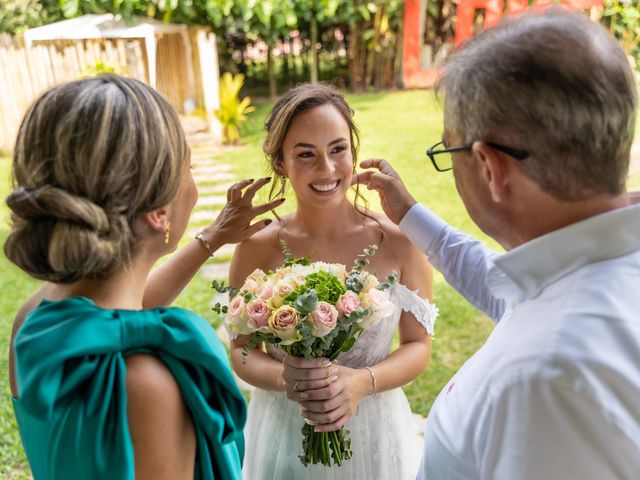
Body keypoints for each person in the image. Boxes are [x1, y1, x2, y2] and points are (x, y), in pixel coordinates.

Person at [353, 9, 640, 479]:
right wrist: (408, 213)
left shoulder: (546, 380)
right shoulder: (595, 266)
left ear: (491, 167)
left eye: (449, 150)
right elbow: (502, 286)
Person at [6, 75, 282, 479]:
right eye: (188, 166)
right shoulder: (146, 384)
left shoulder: (41, 319)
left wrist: (212, 238)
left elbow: (123, 313)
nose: (191, 183)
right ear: (159, 212)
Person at [228, 84, 438, 479]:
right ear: (280, 164)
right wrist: (284, 377)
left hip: (374, 429)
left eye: (338, 149)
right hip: (285, 431)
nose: (326, 169)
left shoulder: (398, 242)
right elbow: (240, 352)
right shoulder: (256, 247)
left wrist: (364, 382)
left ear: (354, 154)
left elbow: (418, 347)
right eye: (306, 154)